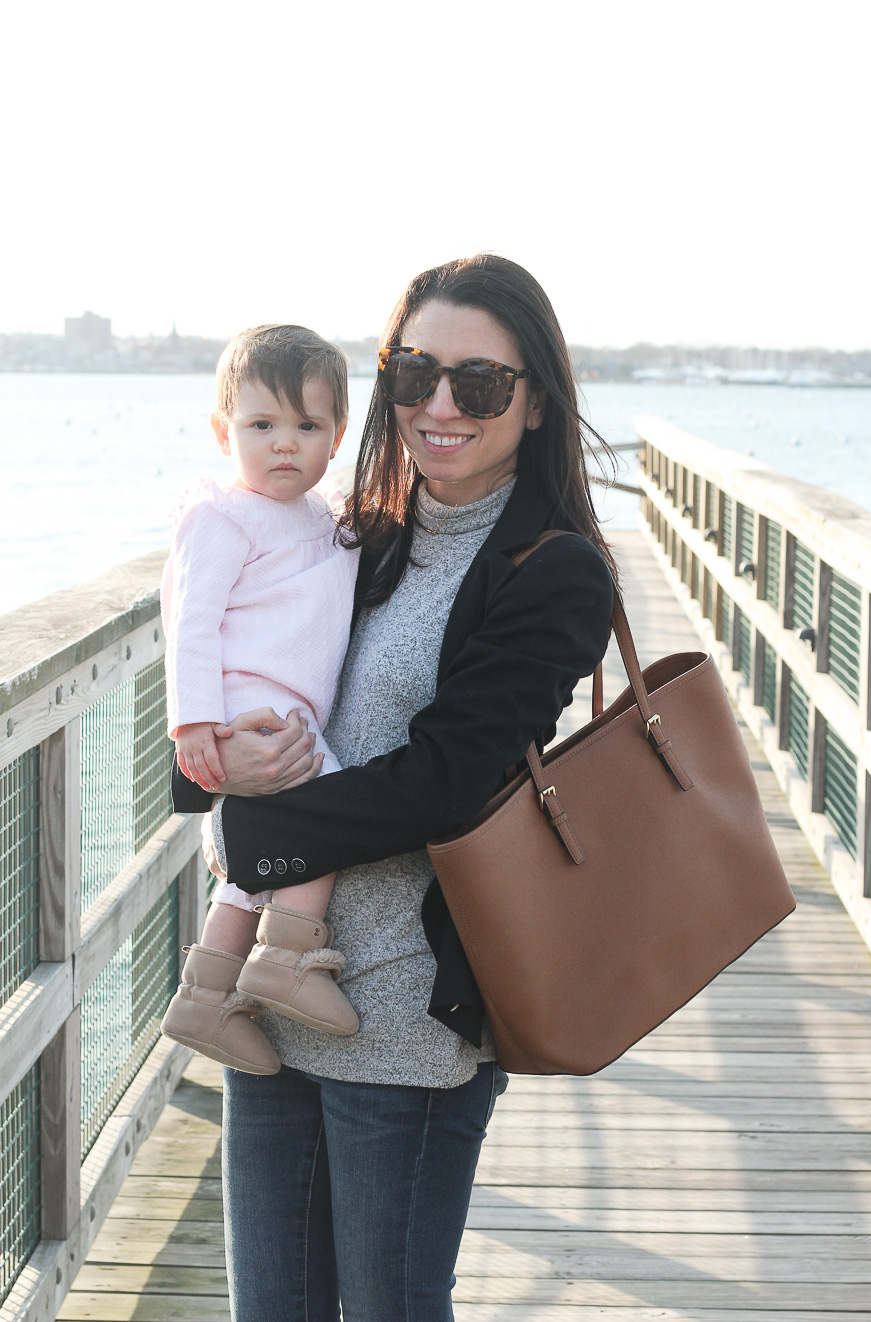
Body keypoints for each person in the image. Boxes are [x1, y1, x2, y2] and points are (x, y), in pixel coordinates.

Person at [172, 255, 618, 1321]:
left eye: (479, 382)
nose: (438, 405)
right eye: (413, 372)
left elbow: (444, 782)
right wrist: (213, 768)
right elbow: (237, 676)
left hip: (408, 1021)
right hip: (272, 1003)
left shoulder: (549, 569)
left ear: (536, 400)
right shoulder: (349, 529)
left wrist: (250, 823)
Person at [160, 325, 361, 1076]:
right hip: (251, 707)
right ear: (223, 432)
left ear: (336, 437)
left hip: (289, 705)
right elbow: (189, 620)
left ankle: (205, 993)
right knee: (326, 810)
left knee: (262, 853)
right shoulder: (222, 515)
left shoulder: (328, 517)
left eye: (307, 426)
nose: (285, 444)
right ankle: (287, 955)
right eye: (261, 426)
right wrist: (193, 726)